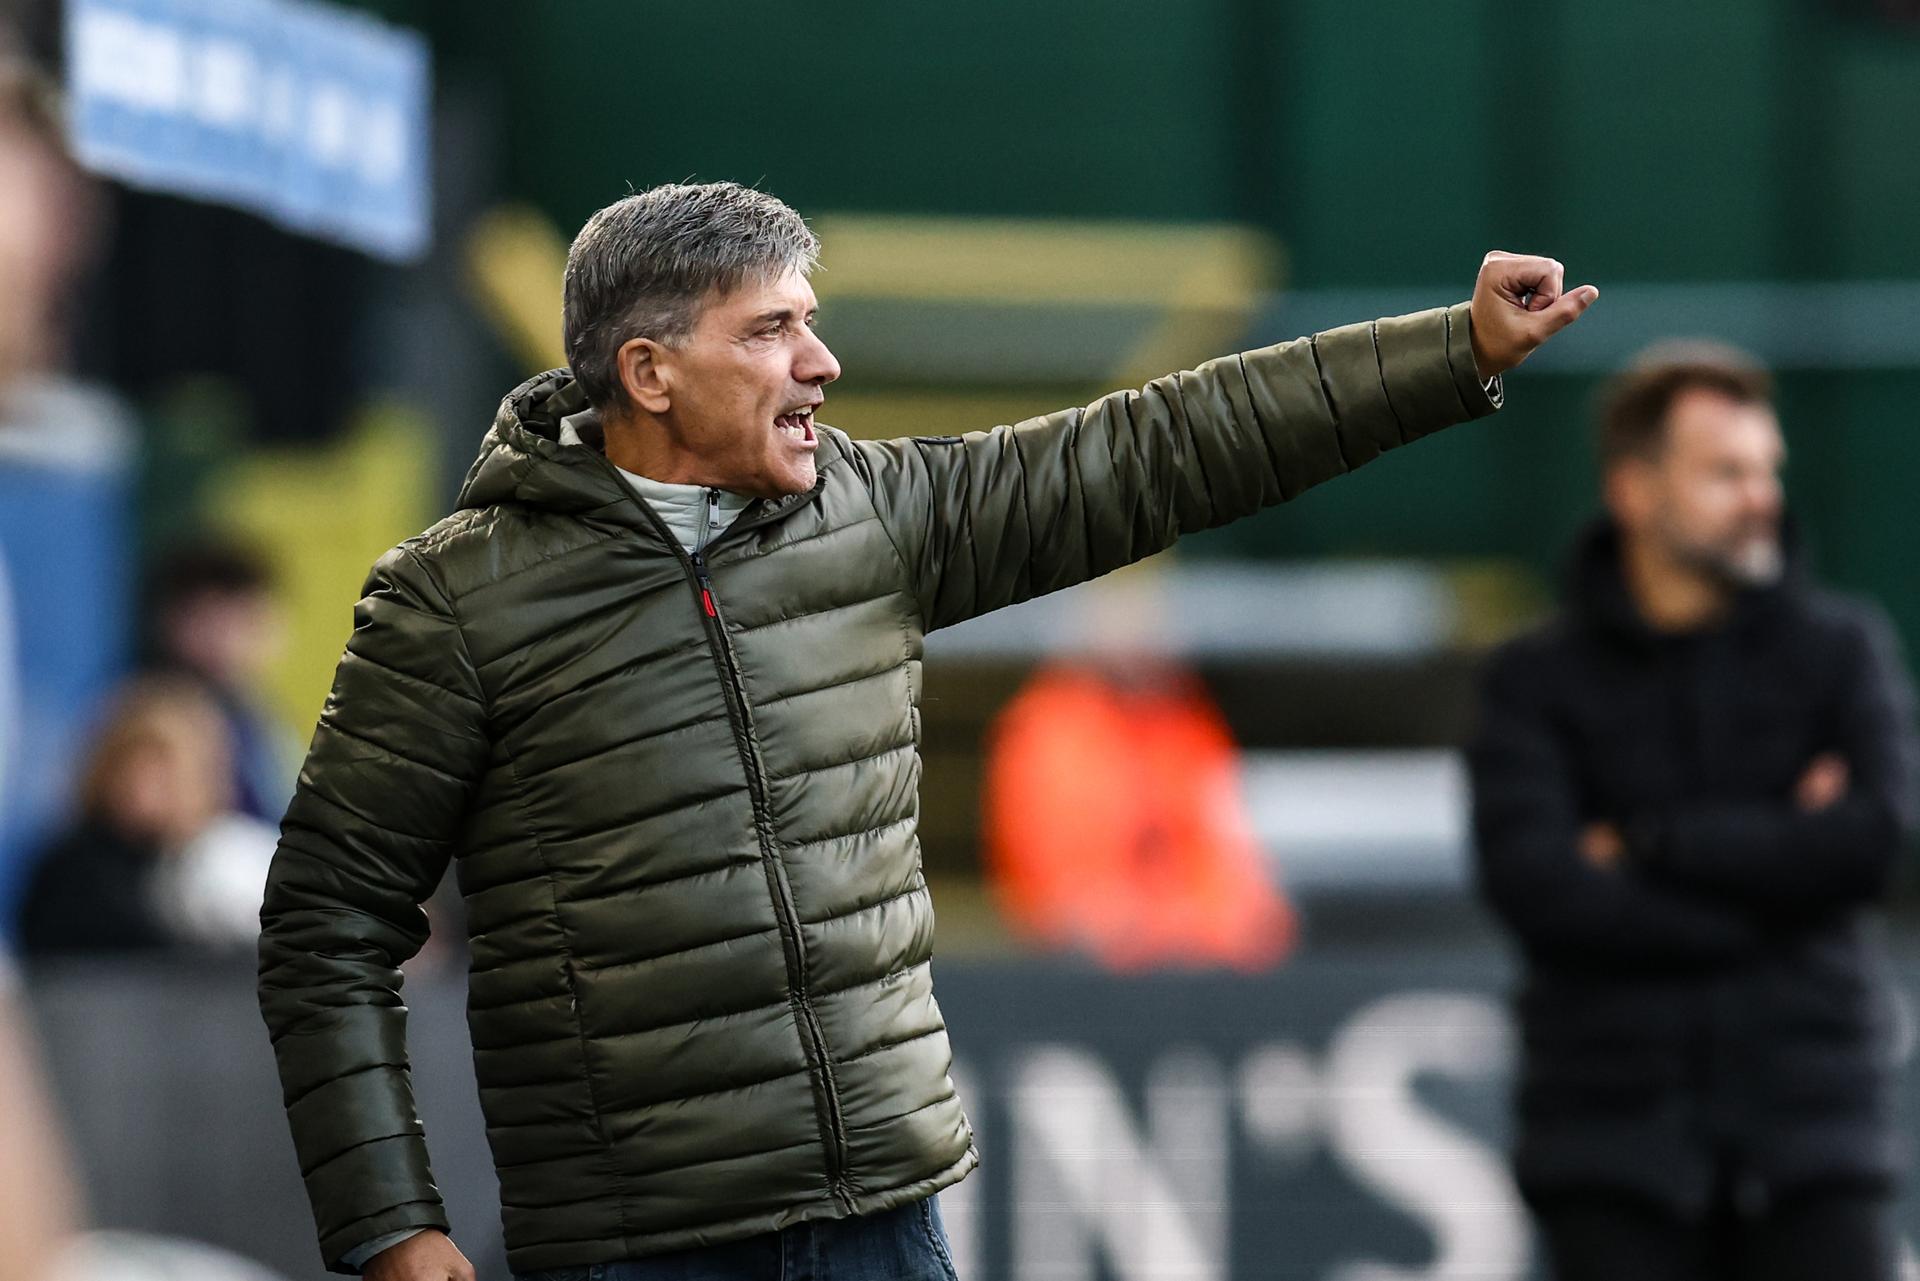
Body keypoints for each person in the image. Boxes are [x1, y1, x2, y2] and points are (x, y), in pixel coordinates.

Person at [257, 179, 1595, 1281]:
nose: (822, 363)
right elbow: (324, 928)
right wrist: (390, 1224)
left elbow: (1166, 446)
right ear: (648, 371)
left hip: (883, 1222)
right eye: (772, 330)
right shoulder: (451, 599)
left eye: (811, 322)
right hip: (632, 1248)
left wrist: (1450, 351)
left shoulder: (873, 512)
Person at [1468, 343, 1919, 1281]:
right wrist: (1783, 872)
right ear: (1634, 491)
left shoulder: (1842, 649)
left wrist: (1646, 841)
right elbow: (1539, 887)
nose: (1761, 496)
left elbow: (1876, 842)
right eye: (1725, 472)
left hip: (1816, 1146)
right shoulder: (1533, 684)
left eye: (1766, 470)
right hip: (1609, 1154)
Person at [17, 674, 275, 956]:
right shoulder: (72, 872)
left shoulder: (220, 861)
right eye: (131, 767)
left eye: (163, 774)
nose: (143, 788)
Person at [142, 537, 294, 825]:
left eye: (251, 619)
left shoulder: (255, 712)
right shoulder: (157, 717)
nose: (234, 638)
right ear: (174, 622)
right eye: (220, 620)